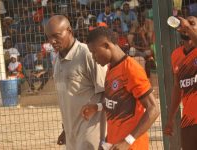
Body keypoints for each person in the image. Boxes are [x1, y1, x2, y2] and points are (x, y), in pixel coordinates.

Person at [81, 27, 160, 150]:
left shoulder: (131, 69)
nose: (93, 57)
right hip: (114, 145)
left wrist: (127, 141)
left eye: (94, 52)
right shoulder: (111, 68)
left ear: (106, 46)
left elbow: (154, 109)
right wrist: (97, 107)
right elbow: (118, 103)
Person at [45, 15, 107, 150]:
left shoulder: (88, 54)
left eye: (56, 35)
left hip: (90, 132)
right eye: (49, 37)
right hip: (71, 134)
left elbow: (107, 92)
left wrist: (104, 136)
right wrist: (65, 130)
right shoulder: (57, 61)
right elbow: (66, 99)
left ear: (69, 31)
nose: (52, 41)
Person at [164, 16, 197, 150]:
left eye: (192, 23)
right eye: (184, 25)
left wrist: (187, 28)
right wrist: (171, 118)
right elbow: (178, 88)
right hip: (188, 120)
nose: (186, 26)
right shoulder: (176, 55)